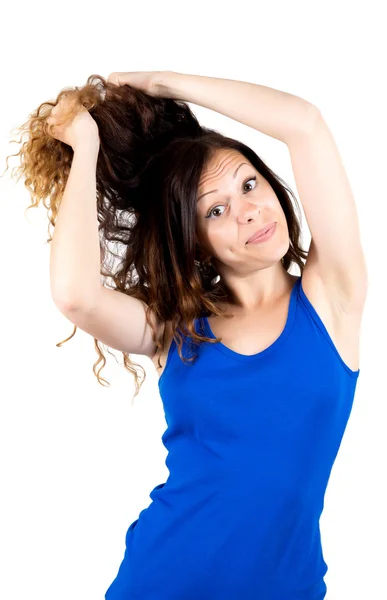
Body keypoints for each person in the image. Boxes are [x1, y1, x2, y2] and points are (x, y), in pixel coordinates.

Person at [6, 70, 368, 599]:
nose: (248, 212)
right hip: (160, 580)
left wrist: (165, 84)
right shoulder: (177, 329)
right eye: (215, 211)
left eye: (249, 184)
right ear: (195, 242)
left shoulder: (331, 297)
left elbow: (305, 125)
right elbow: (76, 296)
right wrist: (85, 146)